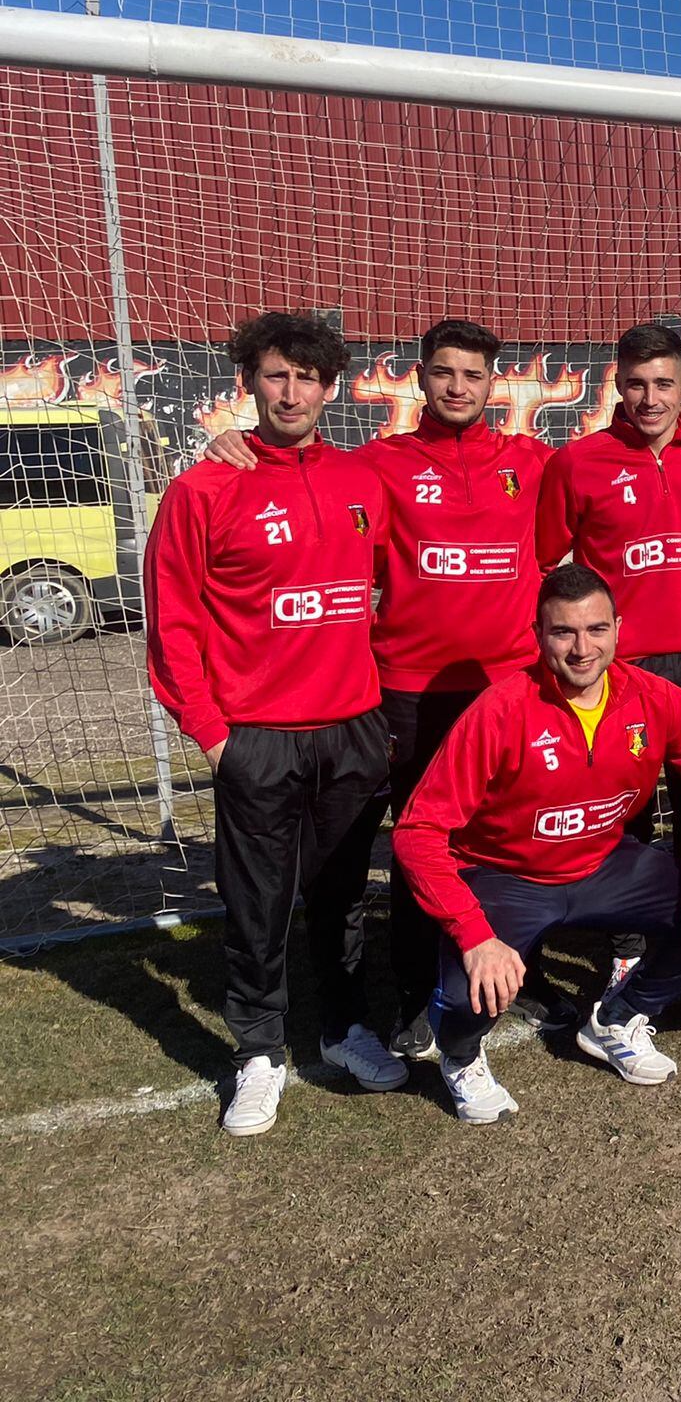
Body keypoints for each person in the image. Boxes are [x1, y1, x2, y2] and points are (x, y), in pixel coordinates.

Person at [204, 317, 554, 1058]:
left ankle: (513, 972)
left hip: (506, 690)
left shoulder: (532, 461)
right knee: (417, 845)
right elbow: (308, 504)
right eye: (444, 371)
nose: (457, 386)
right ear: (421, 378)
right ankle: (411, 995)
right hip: (404, 695)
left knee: (501, 844)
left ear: (494, 384)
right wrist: (231, 445)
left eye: (473, 374)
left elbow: (570, 527)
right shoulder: (376, 467)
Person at [145, 310, 404, 1136]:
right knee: (258, 904)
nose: (291, 393)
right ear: (249, 382)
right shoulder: (203, 489)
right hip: (256, 736)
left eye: (307, 378)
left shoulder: (362, 481)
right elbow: (173, 623)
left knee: (343, 897)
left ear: (330, 389)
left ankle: (343, 1028)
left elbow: (392, 593)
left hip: (351, 730)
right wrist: (214, 737)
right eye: (276, 375)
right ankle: (258, 1052)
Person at [392, 565, 681, 1124]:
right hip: (507, 876)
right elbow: (417, 832)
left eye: (596, 629)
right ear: (538, 635)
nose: (582, 648)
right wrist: (474, 935)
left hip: (603, 863)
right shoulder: (499, 710)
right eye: (563, 632)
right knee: (471, 988)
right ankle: (461, 1057)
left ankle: (618, 1017)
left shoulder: (650, 696)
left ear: (619, 628)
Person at [536, 322, 681, 996]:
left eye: (664, 384)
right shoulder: (578, 463)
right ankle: (626, 946)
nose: (651, 399)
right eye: (638, 384)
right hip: (624, 669)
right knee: (625, 810)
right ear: (616, 385)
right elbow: (545, 559)